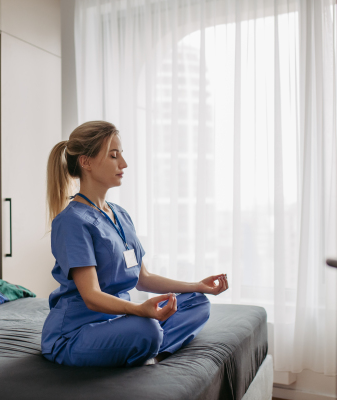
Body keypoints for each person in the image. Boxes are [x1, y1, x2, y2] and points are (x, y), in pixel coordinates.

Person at [41, 121, 229, 367]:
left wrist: (198, 285)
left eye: (122, 155)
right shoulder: (72, 222)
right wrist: (140, 311)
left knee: (196, 302)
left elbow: (144, 278)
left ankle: (151, 352)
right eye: (114, 155)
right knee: (147, 329)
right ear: (86, 162)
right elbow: (92, 297)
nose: (124, 164)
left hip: (119, 320)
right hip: (76, 333)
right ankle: (147, 344)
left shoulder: (120, 214)